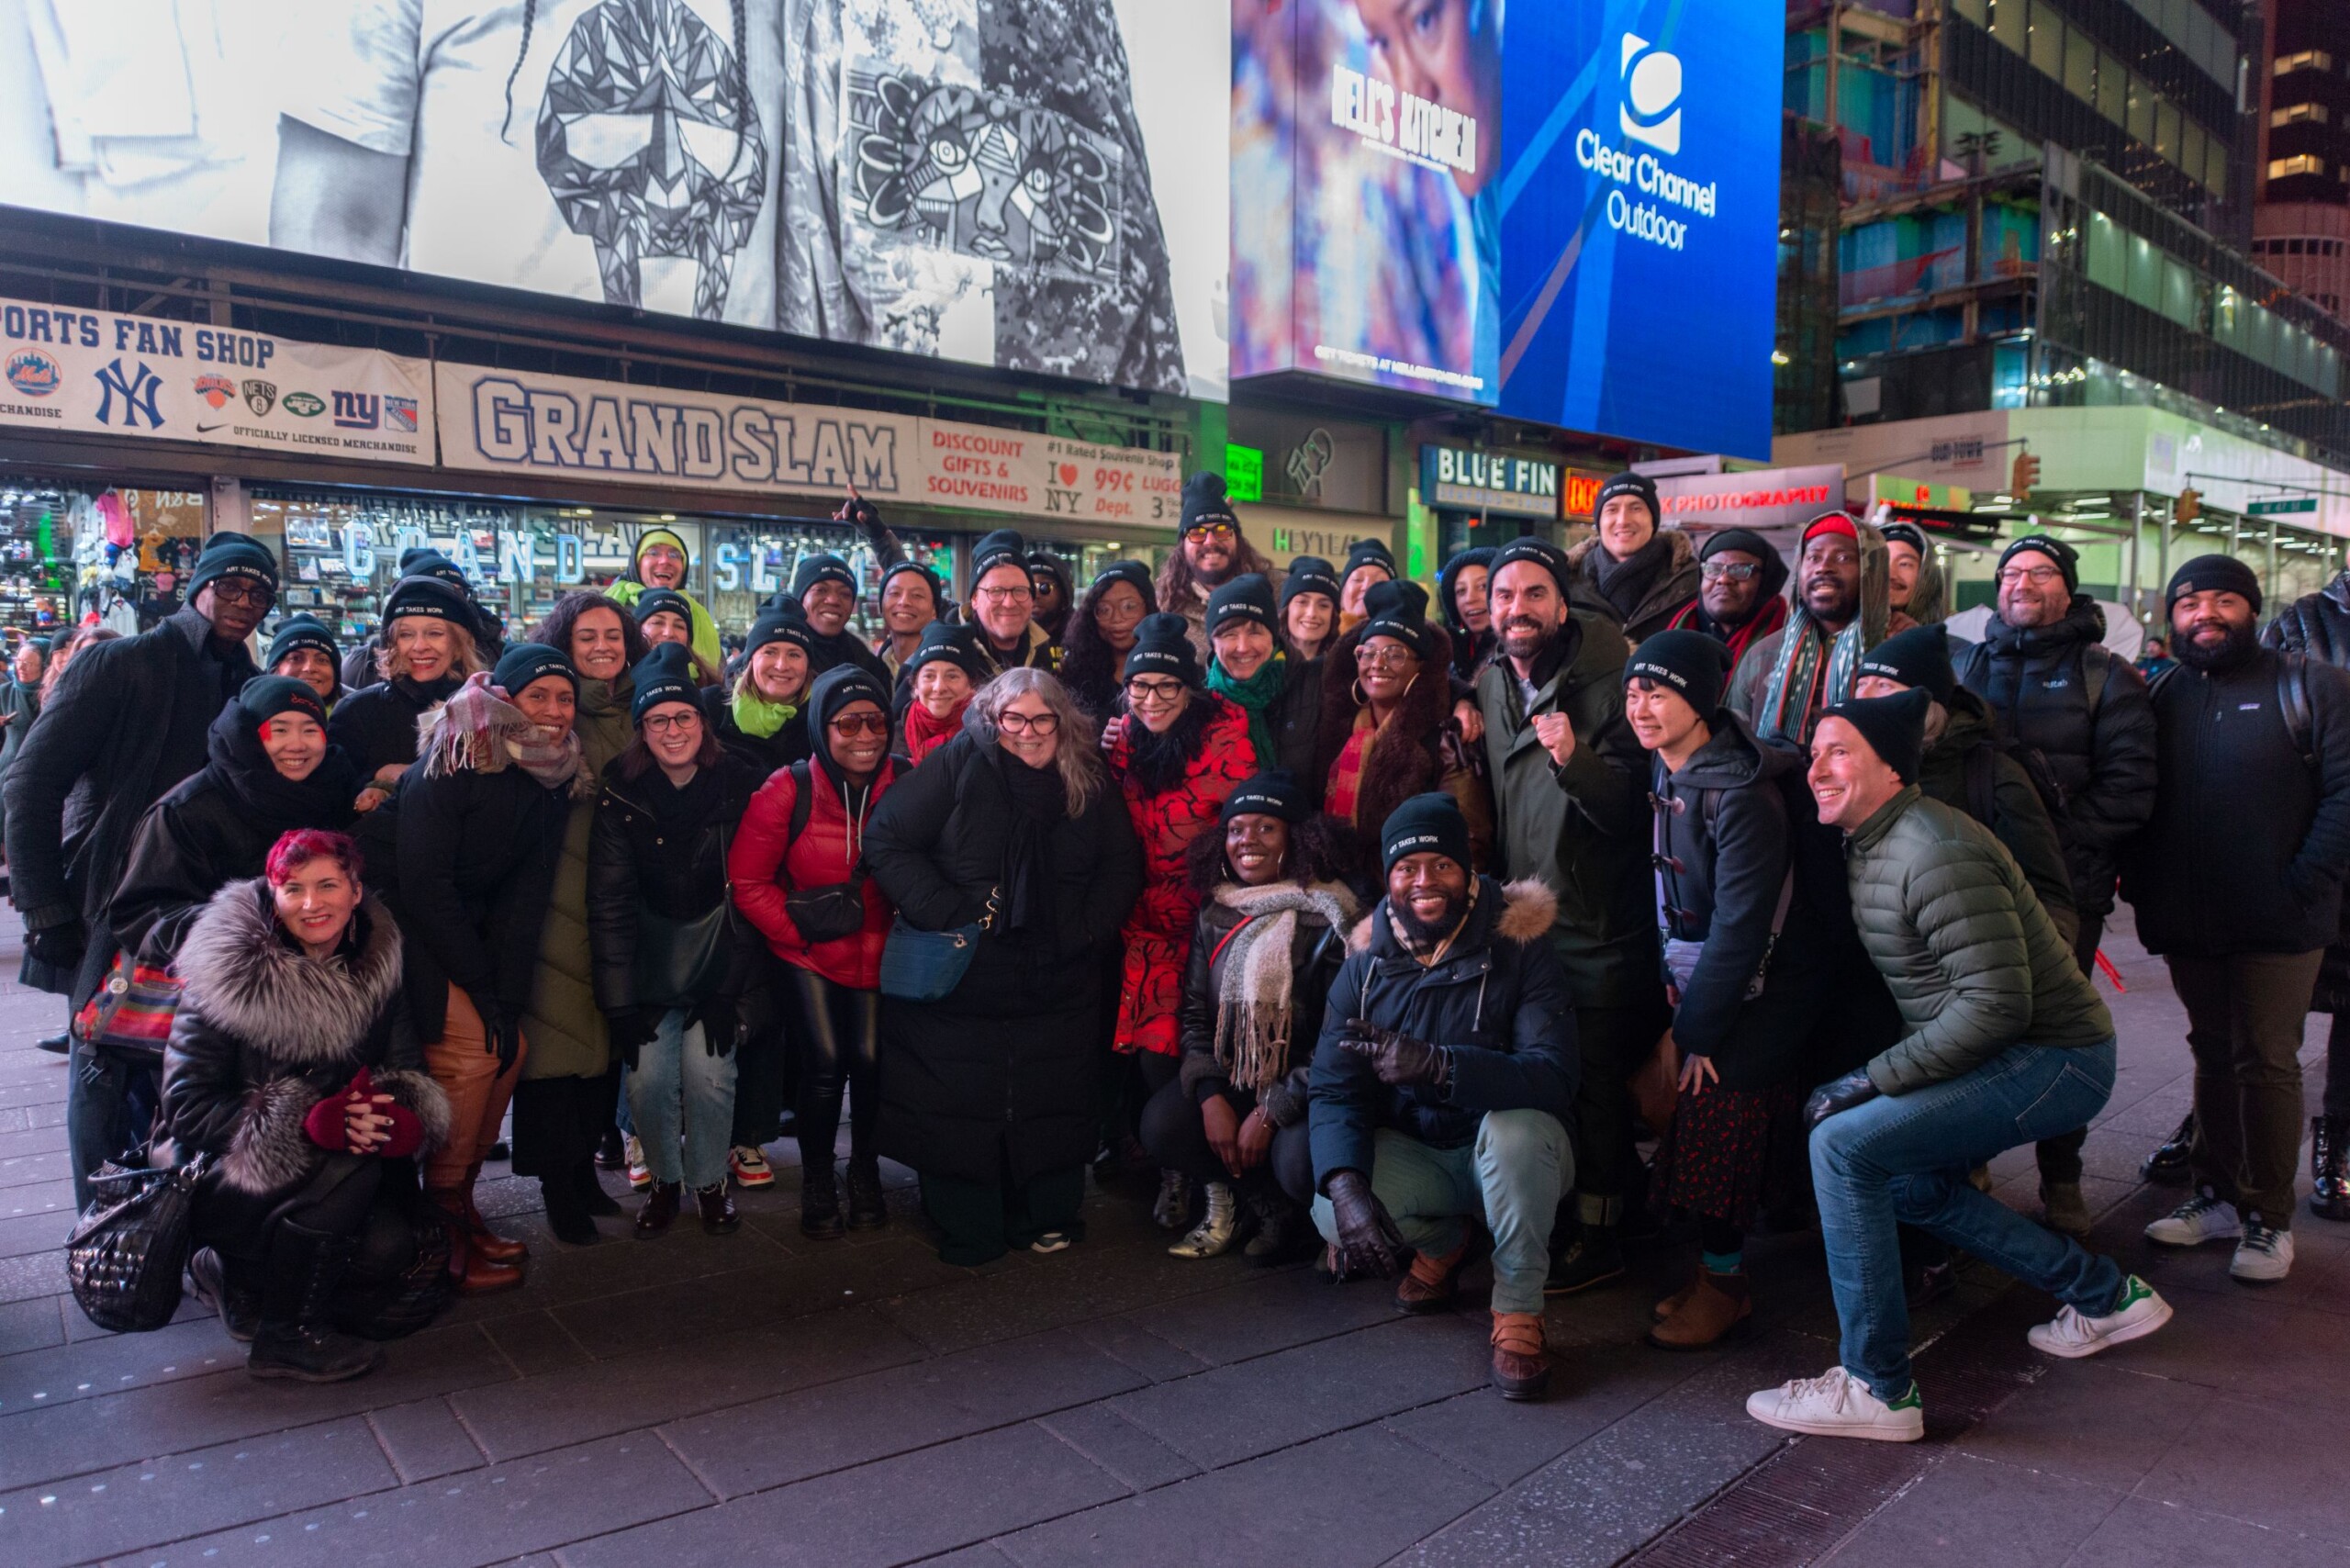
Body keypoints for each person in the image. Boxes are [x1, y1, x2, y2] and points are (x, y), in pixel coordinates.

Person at [1747, 692, 2169, 1443]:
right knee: (1904, 1178)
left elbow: (1996, 1006)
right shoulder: (1876, 838)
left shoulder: (1931, 850)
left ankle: (1877, 1386)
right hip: (2011, 1052)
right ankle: (2103, 1297)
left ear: (1892, 768)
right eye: (1815, 751)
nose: (1817, 766)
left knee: (1843, 1147)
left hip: (2052, 1059)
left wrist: (1869, 1079)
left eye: (1839, 751)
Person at [7, 531, 274, 1203]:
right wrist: (44, 906)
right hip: (118, 903)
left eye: (258, 593)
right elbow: (30, 781)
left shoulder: (251, 684)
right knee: (103, 1067)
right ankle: (101, 1230)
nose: (243, 602)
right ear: (198, 588)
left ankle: (174, 1219)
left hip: (214, 908)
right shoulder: (124, 664)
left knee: (195, 1069)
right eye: (230, 587)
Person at [864, 668, 1142, 1264]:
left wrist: (1087, 930)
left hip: (1059, 966)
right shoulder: (956, 762)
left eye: (1043, 719)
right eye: (1014, 718)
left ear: (1063, 721)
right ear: (992, 718)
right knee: (958, 1093)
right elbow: (886, 838)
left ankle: (1045, 1213)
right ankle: (970, 1222)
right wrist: (947, 913)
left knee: (1052, 1089)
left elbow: (1121, 864)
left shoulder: (1086, 776)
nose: (1029, 731)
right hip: (967, 966)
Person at [1309, 792, 1577, 1401]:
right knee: (1328, 1206)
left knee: (1518, 1131)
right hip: (1425, 1152)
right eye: (1407, 869)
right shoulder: (1365, 967)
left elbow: (1554, 1076)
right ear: (1388, 877)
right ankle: (1446, 1244)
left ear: (1467, 869)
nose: (1424, 882)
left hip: (1512, 1155)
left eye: (1441, 865)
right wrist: (1347, 1185)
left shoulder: (1519, 945)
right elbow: (1333, 1087)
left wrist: (1439, 1066)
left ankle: (1516, 1309)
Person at [2125, 557, 2350, 1281]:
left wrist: (2301, 885)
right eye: (2190, 603)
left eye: (2224, 600)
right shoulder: (2164, 693)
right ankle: (2214, 1194)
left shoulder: (2309, 685)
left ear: (2253, 610)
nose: (2206, 614)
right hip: (2192, 920)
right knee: (2213, 1054)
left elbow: (2345, 796)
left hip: (2281, 920)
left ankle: (2267, 1219)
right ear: (2173, 618)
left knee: (2267, 1060)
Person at [163, 831, 453, 1383]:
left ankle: (241, 1276)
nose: (311, 903)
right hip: (226, 1170)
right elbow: (186, 1108)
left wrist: (384, 1116)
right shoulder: (224, 974)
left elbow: (407, 1071)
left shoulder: (378, 963)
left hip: (333, 1177)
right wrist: (311, 1121)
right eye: (292, 888)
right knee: (347, 1164)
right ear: (272, 896)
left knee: (386, 1252)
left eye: (327, 886)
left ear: (356, 891)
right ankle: (286, 1333)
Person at [1624, 633, 1821, 1350]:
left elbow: (1742, 925)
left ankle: (1726, 1285)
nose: (1642, 707)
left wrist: (1697, 1031)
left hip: (1761, 990)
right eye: (1634, 691)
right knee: (1680, 1110)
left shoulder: (1742, 795)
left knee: (1715, 1117)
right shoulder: (1670, 764)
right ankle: (1710, 1273)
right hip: (1704, 978)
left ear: (1701, 701)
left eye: (1660, 692)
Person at [1952, 535, 2155, 1225]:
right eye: (2011, 572)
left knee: (2060, 1033)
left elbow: (2131, 789)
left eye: (2040, 572)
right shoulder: (1966, 664)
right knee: (1973, 1026)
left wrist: (2042, 850)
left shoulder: (2107, 676)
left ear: (2068, 589)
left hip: (2067, 891)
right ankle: (1970, 1159)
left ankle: (2061, 1176)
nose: (2022, 583)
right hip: (1972, 889)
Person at [1473, 535, 1656, 1294]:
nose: (1519, 609)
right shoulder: (1490, 681)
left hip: (1597, 921)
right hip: (1524, 921)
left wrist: (1572, 759)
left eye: (1534, 594)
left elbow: (1634, 812)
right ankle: (1570, 1214)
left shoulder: (1614, 682)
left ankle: (1605, 1233)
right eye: (1504, 596)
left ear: (1561, 602)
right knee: (1549, 1074)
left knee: (1600, 1086)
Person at [377, 644, 583, 1294]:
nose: (552, 711)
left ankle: (463, 1205)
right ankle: (438, 1231)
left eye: (564, 698)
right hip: (393, 919)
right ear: (505, 698)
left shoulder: (552, 772)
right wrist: (480, 981)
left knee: (510, 1047)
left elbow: (527, 896)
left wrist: (506, 994)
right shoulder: (457, 754)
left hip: (457, 925)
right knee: (470, 1056)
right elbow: (423, 883)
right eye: (537, 696)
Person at [588, 644, 761, 1240]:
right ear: (641, 731)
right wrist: (619, 1000)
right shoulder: (621, 788)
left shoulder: (738, 782)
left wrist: (729, 990)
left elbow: (752, 891)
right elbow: (608, 900)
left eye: (683, 716)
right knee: (647, 1079)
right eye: (657, 720)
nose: (672, 729)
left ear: (702, 721)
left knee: (711, 1073)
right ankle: (664, 1179)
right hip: (649, 964)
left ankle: (710, 1182)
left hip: (721, 958)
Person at [1147, 771, 1356, 1260]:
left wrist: (1271, 1111)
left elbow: (1338, 1038)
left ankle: (1304, 1219)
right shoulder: (1216, 911)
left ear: (1296, 839)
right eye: (1237, 828)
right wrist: (1210, 1094)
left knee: (1296, 1159)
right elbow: (1196, 1015)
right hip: (1238, 1074)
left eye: (1266, 828)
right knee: (1164, 1123)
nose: (1248, 841)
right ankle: (1255, 1203)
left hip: (1305, 1085)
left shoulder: (1335, 917)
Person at [730, 666, 904, 1237]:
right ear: (821, 729)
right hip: (806, 949)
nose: (864, 735)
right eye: (846, 723)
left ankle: (865, 1171)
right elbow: (748, 881)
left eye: (875, 721)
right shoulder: (790, 787)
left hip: (880, 947)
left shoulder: (905, 782)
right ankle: (818, 1178)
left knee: (874, 1063)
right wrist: (797, 934)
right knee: (826, 1064)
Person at [1106, 614, 1259, 1227]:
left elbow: (1244, 835)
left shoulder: (1227, 735)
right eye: (1139, 687)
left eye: (1166, 687)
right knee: (1152, 1058)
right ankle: (1177, 1171)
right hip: (1145, 923)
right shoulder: (1123, 740)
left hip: (1209, 919)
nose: (1151, 699)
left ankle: (1219, 1186)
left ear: (1190, 689)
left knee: (1200, 1058)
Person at [512, 592, 646, 1243]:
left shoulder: (640, 707)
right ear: (563, 642)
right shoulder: (541, 705)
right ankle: (556, 1188)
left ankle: (586, 1173)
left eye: (614, 636)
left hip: (616, 896)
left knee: (601, 1050)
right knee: (550, 1056)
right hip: (554, 892)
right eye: (587, 635)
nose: (602, 647)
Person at [108, 678, 362, 978]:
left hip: (327, 985)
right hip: (223, 990)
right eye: (278, 730)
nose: (297, 744)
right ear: (247, 735)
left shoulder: (336, 793)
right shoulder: (188, 810)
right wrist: (252, 932)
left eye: (310, 730)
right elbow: (141, 915)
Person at [2261, 562, 2350, 1220]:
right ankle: (2219, 1129)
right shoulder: (2301, 622)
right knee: (2265, 1001)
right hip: (2311, 838)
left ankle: (2338, 1145)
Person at [1318, 580, 1490, 874]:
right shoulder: (1342, 728)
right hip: (1340, 887)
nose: (1377, 664)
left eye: (1395, 654)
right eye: (1368, 653)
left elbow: (1469, 840)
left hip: (1412, 897)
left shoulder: (1446, 737)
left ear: (1419, 667)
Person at [1730, 510, 1889, 747]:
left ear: (1871, 572)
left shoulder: (1896, 652)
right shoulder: (1764, 655)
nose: (1824, 568)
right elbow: (1736, 750)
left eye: (1843, 558)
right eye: (1813, 558)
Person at [330, 573, 487, 798]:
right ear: (392, 642)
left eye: (434, 633)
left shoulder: (487, 709)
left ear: (459, 641)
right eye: (406, 634)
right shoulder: (356, 711)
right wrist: (376, 778)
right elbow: (331, 796)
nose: (419, 646)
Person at [1204, 575, 1323, 778]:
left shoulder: (1314, 686)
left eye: (1255, 633)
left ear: (1273, 637)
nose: (1243, 647)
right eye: (1229, 634)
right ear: (1213, 644)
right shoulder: (1199, 704)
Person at [337, 551, 503, 693]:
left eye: (460, 591)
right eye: (406, 634)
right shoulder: (364, 663)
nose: (420, 646)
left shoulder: (496, 651)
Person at [1565, 472, 1700, 644]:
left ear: (1653, 520)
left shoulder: (1692, 582)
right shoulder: (1567, 583)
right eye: (1612, 510)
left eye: (1635, 508)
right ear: (1599, 522)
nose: (1623, 520)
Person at [1156, 475, 1276, 652]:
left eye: (1222, 530)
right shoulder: (1163, 606)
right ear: (1182, 545)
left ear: (1238, 539)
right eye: (1197, 533)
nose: (1210, 541)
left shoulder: (1278, 592)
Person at [703, 603, 814, 778]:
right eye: (770, 652)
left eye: (794, 655)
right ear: (751, 659)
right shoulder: (711, 708)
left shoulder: (820, 718)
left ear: (807, 665)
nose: (781, 665)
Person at [1663, 528, 1789, 681]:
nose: (1723, 579)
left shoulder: (1791, 642)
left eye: (1740, 570)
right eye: (1713, 569)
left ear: (1766, 582)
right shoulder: (1672, 637)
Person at [604, 527, 722, 672]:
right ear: (637, 562)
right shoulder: (611, 607)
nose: (665, 560)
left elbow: (717, 674)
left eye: (674, 555)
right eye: (653, 552)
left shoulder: (698, 614)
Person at [1058, 559, 1155, 722]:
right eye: (1104, 610)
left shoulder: (1171, 668)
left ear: (1150, 608)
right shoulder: (1075, 672)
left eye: (1129, 607)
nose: (1116, 619)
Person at [966, 530, 1063, 678]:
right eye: (996, 591)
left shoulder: (1041, 650)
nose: (1009, 603)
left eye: (1020, 590)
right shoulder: (951, 656)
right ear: (974, 599)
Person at [782, 553, 891, 683]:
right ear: (800, 598)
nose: (833, 600)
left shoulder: (865, 663)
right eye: (821, 590)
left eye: (844, 594)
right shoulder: (775, 647)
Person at [898, 622, 983, 767]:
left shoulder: (987, 740)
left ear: (972, 684)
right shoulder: (892, 741)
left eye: (952, 676)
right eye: (929, 676)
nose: (939, 687)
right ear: (915, 686)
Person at [0, 637, 43, 858]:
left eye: (29, 663)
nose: (21, 668)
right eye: (19, 661)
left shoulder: (50, 694)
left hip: (38, 772)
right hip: (7, 767)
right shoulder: (5, 692)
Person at [876, 559, 946, 680]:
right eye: (894, 593)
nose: (904, 602)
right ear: (881, 606)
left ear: (934, 610)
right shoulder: (870, 668)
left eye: (917, 595)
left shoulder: (946, 669)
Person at [632, 589, 719, 685]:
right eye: (657, 623)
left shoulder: (711, 687)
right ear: (638, 630)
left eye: (679, 626)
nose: (669, 633)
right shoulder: (618, 685)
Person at [1437, 547, 1495, 681]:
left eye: (1483, 586)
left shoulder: (1520, 653)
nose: (1469, 599)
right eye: (1461, 591)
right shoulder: (1444, 653)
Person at [266, 615, 342, 707]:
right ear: (275, 669)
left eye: (322, 660)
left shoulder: (355, 714)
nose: (310, 668)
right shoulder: (253, 715)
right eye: (296, 658)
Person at [1880, 521, 1946, 628]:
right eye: (1881, 562)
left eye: (1904, 564)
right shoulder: (1846, 640)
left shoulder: (1950, 644)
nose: (1891, 575)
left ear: (1926, 574)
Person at [1281, 556, 1343, 664]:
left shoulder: (1344, 669)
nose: (1312, 613)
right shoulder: (1264, 665)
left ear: (1333, 616)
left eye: (1323, 605)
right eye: (1302, 602)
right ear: (1287, 609)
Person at [1337, 539, 1397, 633]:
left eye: (1379, 581)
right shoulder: (1321, 641)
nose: (1366, 587)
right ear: (1342, 598)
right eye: (1358, 579)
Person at [1030, 553, 1076, 645]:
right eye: (1029, 588)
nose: (1035, 595)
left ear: (1064, 594)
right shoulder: (1012, 638)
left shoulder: (1083, 636)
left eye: (1044, 587)